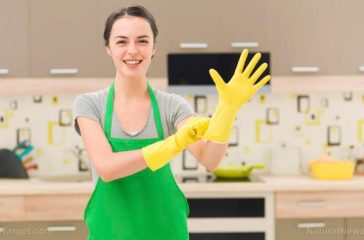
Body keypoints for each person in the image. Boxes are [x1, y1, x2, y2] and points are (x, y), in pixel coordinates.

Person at [73, 5, 270, 240]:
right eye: (122, 41)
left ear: (154, 47)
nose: (132, 50)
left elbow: (210, 158)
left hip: (166, 232)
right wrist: (174, 144)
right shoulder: (89, 105)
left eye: (143, 41)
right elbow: (107, 168)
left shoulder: (172, 106)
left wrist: (227, 110)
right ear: (108, 47)